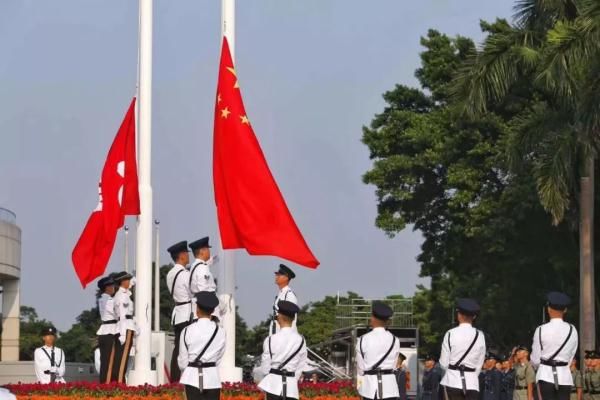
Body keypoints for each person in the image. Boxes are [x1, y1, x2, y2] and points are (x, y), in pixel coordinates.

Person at [178, 291, 226, 400]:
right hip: (212, 379)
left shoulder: (186, 331)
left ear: (197, 309)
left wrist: (190, 368)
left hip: (191, 378)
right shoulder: (221, 331)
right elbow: (219, 357)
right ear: (213, 310)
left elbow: (182, 361)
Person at [530, 292, 578, 400]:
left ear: (548, 309)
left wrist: (541, 366)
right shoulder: (572, 329)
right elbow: (571, 355)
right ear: (565, 310)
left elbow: (535, 359)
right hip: (565, 377)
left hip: (545, 375)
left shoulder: (541, 329)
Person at [258, 301, 307, 400]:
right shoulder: (301, 340)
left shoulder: (270, 339)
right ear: (293, 319)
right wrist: (292, 379)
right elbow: (301, 366)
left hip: (273, 387)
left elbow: (265, 368)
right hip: (291, 389)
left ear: (279, 317)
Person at [439, 298, 486, 400]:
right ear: (473, 317)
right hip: (472, 384)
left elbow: (443, 363)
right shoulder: (480, 335)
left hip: (452, 382)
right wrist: (471, 375)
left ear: (459, 315)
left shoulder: (450, 333)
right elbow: (479, 364)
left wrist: (453, 372)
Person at [355, 301, 401, 400]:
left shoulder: (363, 339)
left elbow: (360, 368)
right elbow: (394, 366)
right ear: (387, 320)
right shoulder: (395, 340)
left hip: (369, 389)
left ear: (373, 318)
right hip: (390, 388)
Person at [166, 240, 193, 382]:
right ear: (181, 255)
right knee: (187, 349)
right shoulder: (184, 274)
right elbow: (193, 291)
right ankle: (183, 380)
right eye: (186, 253)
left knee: (177, 349)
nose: (189, 256)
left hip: (178, 314)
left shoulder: (171, 273)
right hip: (186, 313)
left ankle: (174, 380)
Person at [112, 271, 138, 383]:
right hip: (125, 328)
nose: (129, 282)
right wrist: (123, 334)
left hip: (127, 326)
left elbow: (133, 283)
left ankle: (121, 381)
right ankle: (119, 383)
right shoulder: (122, 296)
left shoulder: (124, 293)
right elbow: (122, 315)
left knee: (124, 358)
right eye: (127, 280)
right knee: (122, 360)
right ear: (123, 282)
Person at [96, 275, 118, 383]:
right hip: (111, 330)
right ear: (107, 287)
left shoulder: (101, 299)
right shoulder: (110, 300)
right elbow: (117, 314)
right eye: (112, 285)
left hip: (104, 330)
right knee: (111, 361)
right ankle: (109, 384)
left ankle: (104, 382)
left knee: (105, 361)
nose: (113, 287)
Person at [271, 264, 298, 335]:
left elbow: (291, 319)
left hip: (286, 337)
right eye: (276, 275)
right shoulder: (280, 294)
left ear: (286, 278)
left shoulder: (289, 295)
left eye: (279, 275)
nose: (276, 277)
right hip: (277, 333)